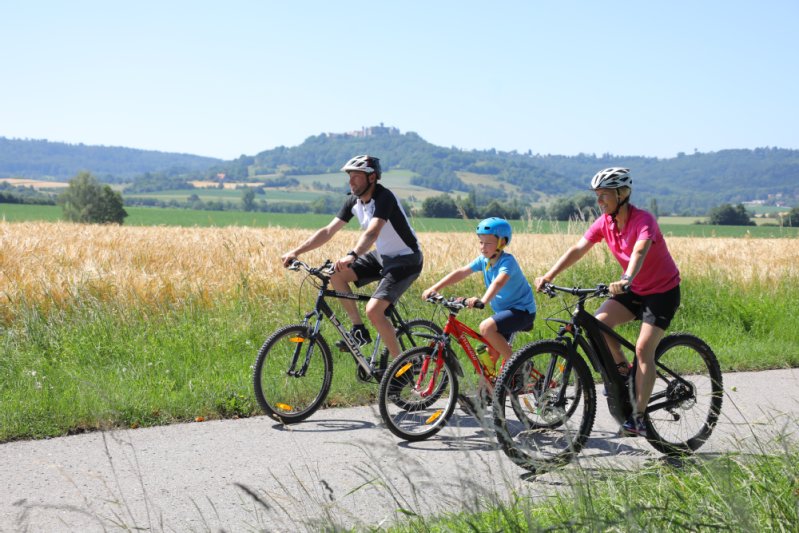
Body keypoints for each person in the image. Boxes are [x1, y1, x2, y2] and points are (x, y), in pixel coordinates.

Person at [533, 168, 681, 437]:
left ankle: (638, 417)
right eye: (597, 196)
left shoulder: (643, 220)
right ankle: (623, 372)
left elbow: (640, 249)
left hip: (661, 291)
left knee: (643, 348)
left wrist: (625, 277)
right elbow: (578, 249)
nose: (599, 201)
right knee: (599, 324)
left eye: (605, 196)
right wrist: (549, 275)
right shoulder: (605, 223)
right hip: (634, 289)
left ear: (622, 194)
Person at [280, 155, 423, 359]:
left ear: (372, 178)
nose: (351, 181)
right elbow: (328, 231)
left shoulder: (384, 198)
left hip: (406, 259)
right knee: (336, 275)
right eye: (350, 177)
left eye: (356, 176)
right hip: (383, 257)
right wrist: (296, 252)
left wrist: (353, 254)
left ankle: (402, 366)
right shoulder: (354, 202)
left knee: (374, 310)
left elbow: (373, 232)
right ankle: (359, 330)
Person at [421, 217, 536, 375]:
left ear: (502, 243)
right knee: (489, 359)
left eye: (488, 243)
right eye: (481, 242)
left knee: (485, 327)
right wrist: (435, 288)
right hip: (503, 313)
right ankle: (487, 393)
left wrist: (482, 300)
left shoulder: (507, 262)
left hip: (522, 312)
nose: (483, 247)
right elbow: (461, 272)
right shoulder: (484, 260)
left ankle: (519, 366)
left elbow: (498, 282)